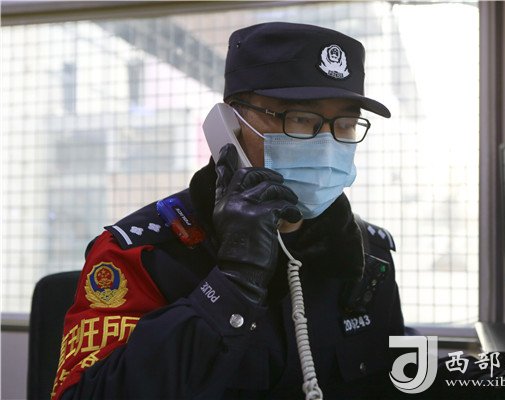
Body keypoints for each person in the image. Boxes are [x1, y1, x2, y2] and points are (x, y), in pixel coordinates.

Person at [51, 22, 405, 399]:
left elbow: (400, 382)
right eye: (300, 119)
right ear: (229, 125)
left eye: (346, 125)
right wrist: (232, 284)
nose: (327, 145)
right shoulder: (140, 255)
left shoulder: (367, 255)